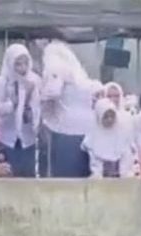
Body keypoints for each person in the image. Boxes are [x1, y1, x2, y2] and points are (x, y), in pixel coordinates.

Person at [39, 41, 100, 178]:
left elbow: (52, 92)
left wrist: (41, 99)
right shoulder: (80, 76)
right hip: (88, 129)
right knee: (86, 173)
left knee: (67, 177)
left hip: (66, 129)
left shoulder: (54, 68)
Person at [0, 43, 41, 178]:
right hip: (8, 138)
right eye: (18, 64)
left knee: (28, 176)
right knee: (10, 176)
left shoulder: (34, 80)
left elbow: (38, 109)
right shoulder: (2, 82)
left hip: (28, 138)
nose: (23, 68)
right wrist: (13, 103)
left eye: (26, 63)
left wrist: (28, 98)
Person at [81, 97, 141, 179]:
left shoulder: (123, 134)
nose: (109, 119)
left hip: (123, 179)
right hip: (101, 181)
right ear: (99, 117)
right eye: (106, 117)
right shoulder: (92, 139)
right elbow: (96, 168)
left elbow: (127, 161)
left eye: (112, 116)